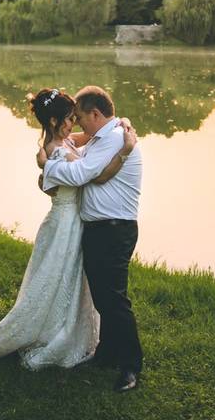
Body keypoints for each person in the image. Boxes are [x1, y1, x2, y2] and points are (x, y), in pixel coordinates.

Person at [0, 88, 136, 370]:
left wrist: (123, 121)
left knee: (68, 281)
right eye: (70, 119)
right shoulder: (55, 150)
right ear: (55, 122)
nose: (75, 124)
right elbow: (91, 175)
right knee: (52, 278)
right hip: (64, 224)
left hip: (75, 221)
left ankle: (64, 330)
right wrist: (125, 152)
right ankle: (36, 332)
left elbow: (97, 133)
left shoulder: (66, 140)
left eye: (75, 118)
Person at [40, 85, 144, 393]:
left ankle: (131, 365)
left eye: (81, 117)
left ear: (96, 114)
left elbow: (80, 174)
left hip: (113, 229)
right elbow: (74, 147)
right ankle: (107, 353)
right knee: (104, 298)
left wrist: (48, 166)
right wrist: (48, 143)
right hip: (103, 229)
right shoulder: (105, 136)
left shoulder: (113, 139)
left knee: (113, 300)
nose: (79, 123)